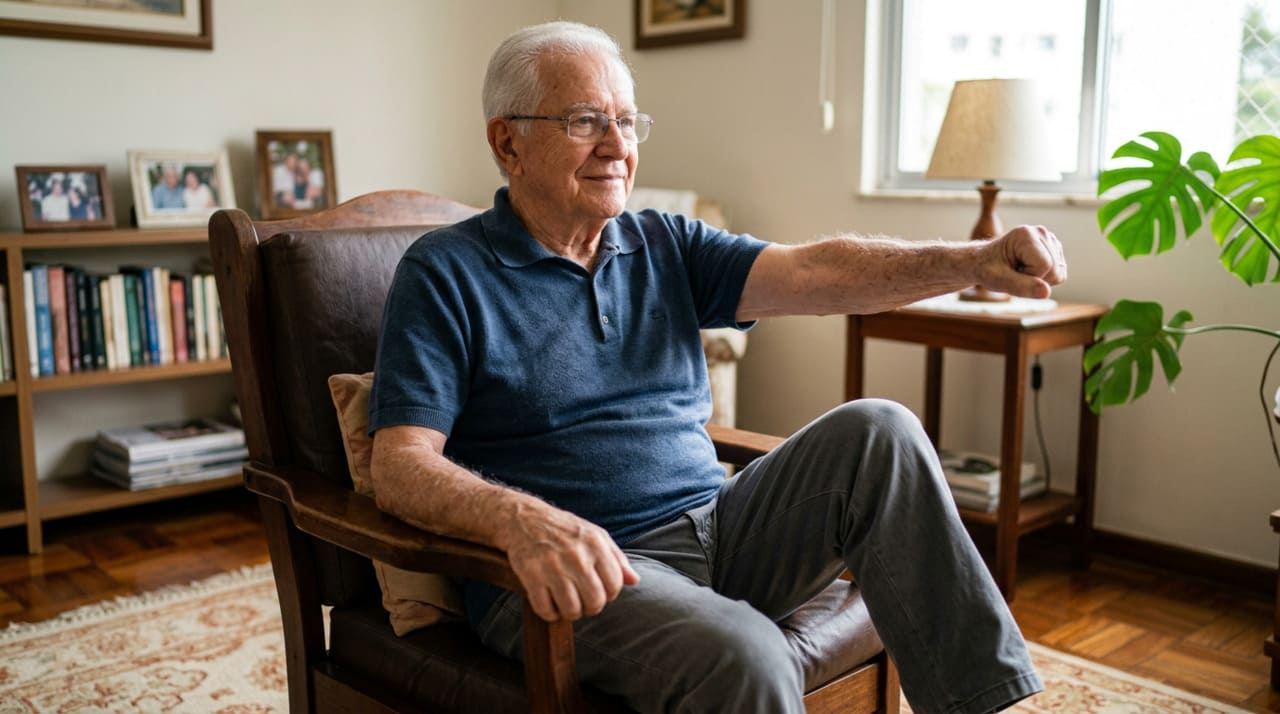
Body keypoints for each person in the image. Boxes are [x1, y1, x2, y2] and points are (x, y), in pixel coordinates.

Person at [369, 21, 1062, 713]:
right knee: (751, 654)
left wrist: (975, 262)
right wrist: (520, 521)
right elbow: (399, 463)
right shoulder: (445, 272)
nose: (616, 146)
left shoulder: (663, 242)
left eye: (626, 121)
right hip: (583, 571)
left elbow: (815, 272)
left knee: (881, 431)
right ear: (507, 143)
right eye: (584, 121)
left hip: (719, 527)